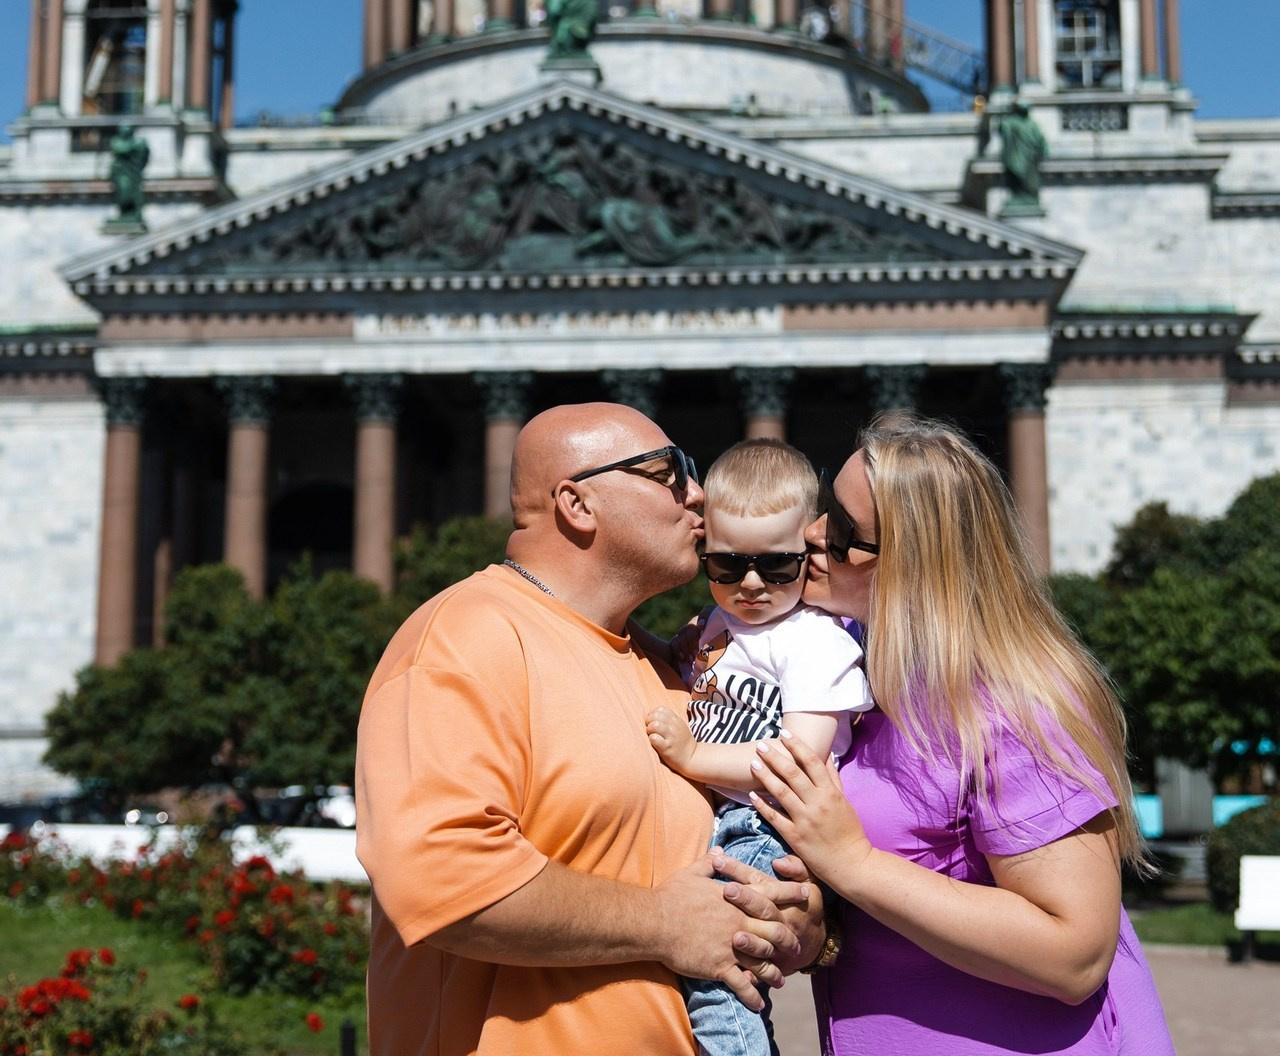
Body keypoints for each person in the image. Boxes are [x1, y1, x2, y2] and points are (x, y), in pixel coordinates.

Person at [355, 403, 824, 1056]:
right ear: (578, 503)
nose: (698, 494)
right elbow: (442, 884)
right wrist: (665, 923)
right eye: (669, 473)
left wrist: (795, 921)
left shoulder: (675, 666)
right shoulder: (466, 636)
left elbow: (726, 877)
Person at [749, 411, 1176, 1055]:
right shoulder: (860, 678)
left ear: (918, 564)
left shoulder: (1014, 705)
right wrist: (820, 929)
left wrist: (855, 866)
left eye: (843, 532)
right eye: (822, 509)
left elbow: (1073, 953)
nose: (809, 534)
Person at [646, 439, 872, 1056]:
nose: (749, 583)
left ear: (811, 549)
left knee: (723, 971)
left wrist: (691, 758)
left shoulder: (815, 641)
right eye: (727, 565)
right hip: (722, 814)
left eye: (776, 566)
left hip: (768, 822)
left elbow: (797, 762)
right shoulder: (718, 623)